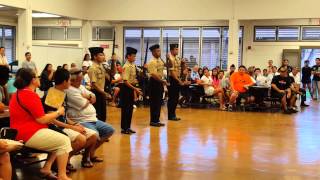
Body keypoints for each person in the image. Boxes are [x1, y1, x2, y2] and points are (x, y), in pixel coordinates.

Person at [9, 68, 72, 180]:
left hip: (21, 132)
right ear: (33, 80)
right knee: (64, 141)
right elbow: (42, 119)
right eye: (37, 77)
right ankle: (62, 175)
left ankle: (47, 168)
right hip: (28, 133)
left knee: (59, 138)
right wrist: (58, 112)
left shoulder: (18, 94)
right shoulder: (30, 95)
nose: (39, 78)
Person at [43, 68, 98, 170]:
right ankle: (58, 163)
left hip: (64, 125)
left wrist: (74, 124)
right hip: (55, 128)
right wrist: (71, 127)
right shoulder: (53, 94)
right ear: (64, 81)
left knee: (93, 136)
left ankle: (65, 159)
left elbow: (63, 117)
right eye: (69, 80)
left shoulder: (62, 92)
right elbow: (52, 120)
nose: (71, 82)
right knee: (81, 139)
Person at [66, 68, 115, 166]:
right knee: (94, 135)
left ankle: (90, 152)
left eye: (81, 80)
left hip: (92, 119)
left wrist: (87, 97)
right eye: (79, 80)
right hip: (81, 120)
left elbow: (94, 97)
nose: (81, 82)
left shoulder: (80, 87)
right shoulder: (70, 90)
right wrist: (88, 97)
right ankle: (86, 157)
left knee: (109, 130)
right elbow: (82, 104)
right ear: (72, 80)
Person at [87, 47, 114, 122]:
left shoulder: (102, 66)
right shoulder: (92, 68)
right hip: (96, 93)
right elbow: (94, 84)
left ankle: (102, 132)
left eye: (103, 55)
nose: (103, 57)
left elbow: (112, 74)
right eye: (101, 55)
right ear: (95, 57)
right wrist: (105, 93)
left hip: (101, 92)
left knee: (103, 115)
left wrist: (114, 61)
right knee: (97, 115)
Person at [119, 47, 141, 134]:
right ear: (128, 56)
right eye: (133, 56)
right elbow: (125, 81)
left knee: (130, 109)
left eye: (135, 56)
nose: (135, 58)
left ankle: (128, 127)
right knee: (125, 109)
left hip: (131, 88)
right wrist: (135, 89)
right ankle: (124, 128)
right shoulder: (126, 66)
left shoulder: (133, 65)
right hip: (126, 89)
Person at [147, 44, 166, 127]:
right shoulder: (152, 62)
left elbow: (169, 66)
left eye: (159, 50)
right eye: (157, 51)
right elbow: (154, 75)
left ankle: (157, 120)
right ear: (153, 52)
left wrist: (168, 59)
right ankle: (153, 121)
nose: (159, 52)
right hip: (154, 82)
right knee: (154, 102)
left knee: (159, 102)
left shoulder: (160, 60)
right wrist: (162, 81)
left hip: (159, 82)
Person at [167, 44, 184, 121]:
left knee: (176, 98)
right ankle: (170, 115)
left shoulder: (177, 58)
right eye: (175, 49)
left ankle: (173, 114)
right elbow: (172, 72)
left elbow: (181, 68)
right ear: (171, 50)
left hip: (177, 79)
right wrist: (178, 80)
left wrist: (183, 63)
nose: (177, 50)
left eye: (177, 49)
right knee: (172, 98)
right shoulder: (170, 58)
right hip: (172, 79)